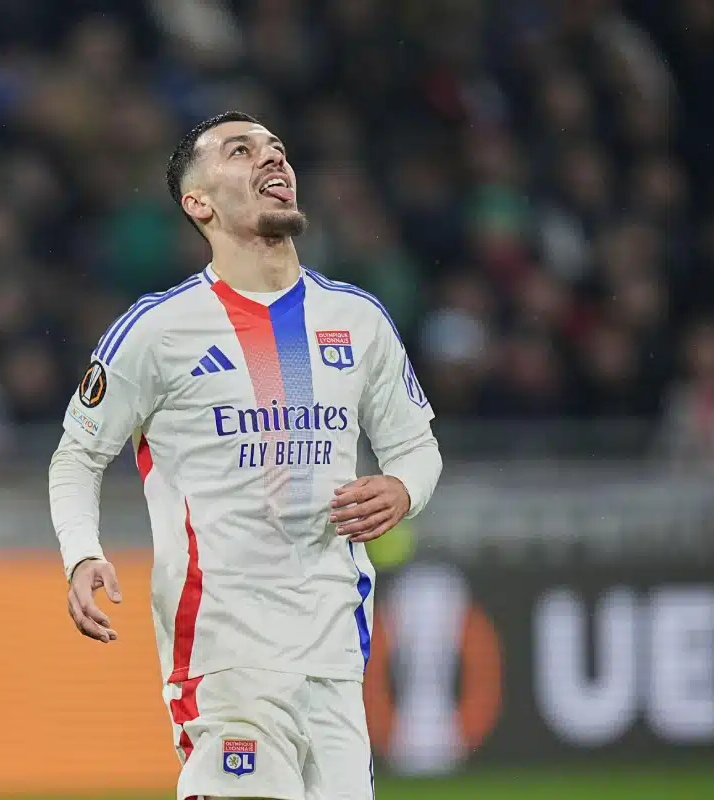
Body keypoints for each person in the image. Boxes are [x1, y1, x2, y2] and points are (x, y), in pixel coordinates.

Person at [48, 111, 442, 800]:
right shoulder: (157, 330)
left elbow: (417, 448)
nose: (273, 161)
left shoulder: (358, 319)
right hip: (225, 657)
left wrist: (404, 489)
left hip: (335, 657)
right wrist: (82, 551)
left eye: (278, 150)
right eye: (241, 151)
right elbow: (76, 456)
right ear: (197, 202)